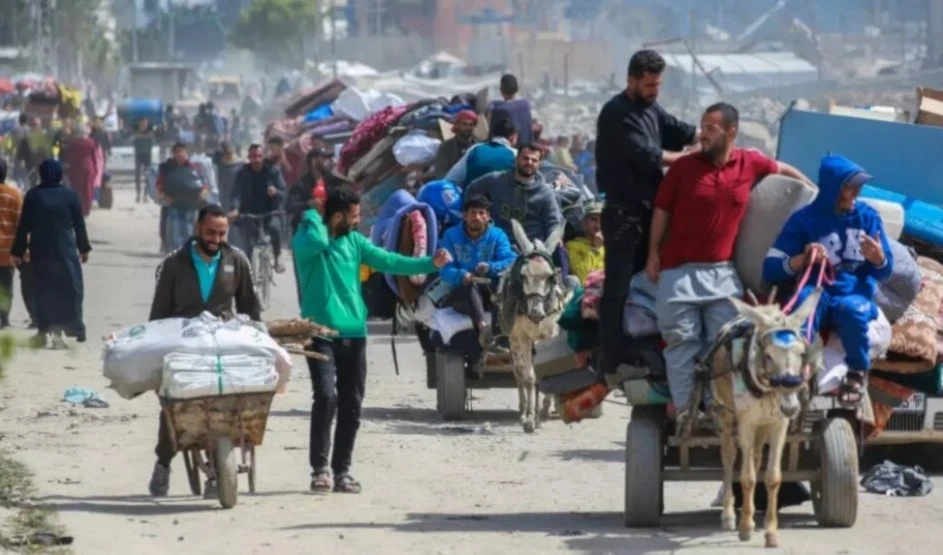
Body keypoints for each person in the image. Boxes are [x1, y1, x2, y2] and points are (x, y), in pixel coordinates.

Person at [646, 102, 812, 419]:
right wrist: (653, 253)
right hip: (678, 275)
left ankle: (717, 411)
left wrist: (812, 194)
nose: (703, 134)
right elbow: (662, 212)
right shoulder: (684, 167)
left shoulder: (749, 162)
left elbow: (783, 170)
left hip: (722, 275)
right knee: (682, 344)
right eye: (702, 127)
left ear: (730, 132)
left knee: (723, 348)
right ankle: (686, 413)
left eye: (711, 128)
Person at [292, 186, 451, 494]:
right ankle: (319, 468)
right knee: (325, 397)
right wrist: (316, 217)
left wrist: (431, 263)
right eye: (353, 216)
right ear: (337, 215)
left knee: (352, 404)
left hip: (354, 332)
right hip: (318, 332)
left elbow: (391, 261)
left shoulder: (356, 243)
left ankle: (342, 471)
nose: (358, 221)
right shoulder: (306, 237)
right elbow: (316, 242)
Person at [594, 49, 700, 376]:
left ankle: (643, 348)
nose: (655, 91)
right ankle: (608, 361)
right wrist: (695, 158)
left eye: (658, 85)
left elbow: (678, 129)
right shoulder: (617, 113)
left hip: (650, 213)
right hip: (624, 215)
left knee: (650, 284)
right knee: (619, 287)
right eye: (650, 85)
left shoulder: (650, 108)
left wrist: (706, 136)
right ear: (632, 80)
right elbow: (650, 155)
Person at [147, 204, 261, 497]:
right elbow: (158, 315)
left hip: (222, 344)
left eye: (222, 233)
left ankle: (216, 467)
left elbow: (250, 308)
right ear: (197, 229)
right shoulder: (174, 264)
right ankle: (163, 461)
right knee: (176, 407)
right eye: (210, 232)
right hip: (183, 345)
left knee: (227, 403)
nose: (216, 238)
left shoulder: (236, 261)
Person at [763, 154, 892, 406]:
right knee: (802, 306)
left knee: (853, 309)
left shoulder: (868, 218)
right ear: (834, 188)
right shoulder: (803, 220)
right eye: (850, 186)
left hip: (852, 293)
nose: (857, 191)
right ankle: (798, 371)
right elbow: (770, 268)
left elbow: (885, 272)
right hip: (816, 290)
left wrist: (878, 259)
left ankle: (856, 372)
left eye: (859, 186)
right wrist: (801, 259)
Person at [10, 159, 91, 349]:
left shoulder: (33, 195)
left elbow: (24, 226)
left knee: (43, 289)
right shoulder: (70, 196)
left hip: (41, 247)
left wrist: (18, 251)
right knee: (68, 288)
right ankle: (62, 331)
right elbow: (79, 224)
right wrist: (83, 248)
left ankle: (44, 331)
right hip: (65, 248)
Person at [438, 194, 516, 347]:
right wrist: (462, 275)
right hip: (462, 294)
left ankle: (503, 334)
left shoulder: (497, 235)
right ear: (465, 216)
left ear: (488, 217)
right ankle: (484, 329)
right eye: (473, 213)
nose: (477, 217)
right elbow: (444, 269)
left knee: (504, 288)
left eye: (482, 213)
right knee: (467, 286)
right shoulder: (450, 235)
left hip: (491, 293)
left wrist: (491, 267)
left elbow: (510, 260)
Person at [465, 143, 562, 245]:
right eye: (525, 158)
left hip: (529, 251)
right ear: (516, 159)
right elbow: (471, 190)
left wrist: (555, 240)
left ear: (539, 165)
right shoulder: (495, 180)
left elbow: (554, 222)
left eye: (534, 160)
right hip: (495, 244)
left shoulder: (545, 193)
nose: (529, 162)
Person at [286, 147, 340, 303]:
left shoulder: (333, 182)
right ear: (313, 161)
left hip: (329, 234)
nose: (327, 161)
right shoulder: (301, 185)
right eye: (323, 158)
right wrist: (308, 203)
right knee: (305, 275)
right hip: (306, 235)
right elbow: (290, 206)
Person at [229, 144, 287, 272]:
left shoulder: (273, 171)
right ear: (249, 157)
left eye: (259, 156)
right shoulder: (242, 173)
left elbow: (284, 192)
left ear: (263, 157)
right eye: (254, 156)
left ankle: (277, 256)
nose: (256, 160)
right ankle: (249, 270)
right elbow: (236, 193)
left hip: (271, 212)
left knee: (274, 228)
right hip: (249, 213)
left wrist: (276, 192)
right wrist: (235, 208)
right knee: (248, 239)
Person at [156, 143, 209, 253]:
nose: (180, 154)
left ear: (186, 153)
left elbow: (203, 182)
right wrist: (164, 195)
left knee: (188, 231)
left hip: (190, 204)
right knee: (175, 232)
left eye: (183, 151)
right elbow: (159, 183)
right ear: (173, 154)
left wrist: (203, 191)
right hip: (174, 203)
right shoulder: (167, 167)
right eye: (178, 152)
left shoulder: (194, 167)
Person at [444, 118, 517, 189]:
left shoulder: (475, 149)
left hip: (471, 199)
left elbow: (449, 180)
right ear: (512, 138)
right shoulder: (515, 154)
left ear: (492, 135)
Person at [0, 160, 22, 328]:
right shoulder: (14, 194)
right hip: (7, 251)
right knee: (6, 286)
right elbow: (20, 223)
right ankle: (4, 318)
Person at [63, 124, 101, 218]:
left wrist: (66, 169)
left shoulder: (72, 143)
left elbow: (69, 157)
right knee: (88, 189)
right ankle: (86, 209)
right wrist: (96, 169)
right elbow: (95, 157)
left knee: (77, 189)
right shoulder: (92, 143)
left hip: (75, 168)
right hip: (89, 168)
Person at [566, 201, 605, 285]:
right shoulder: (572, 246)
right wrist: (595, 248)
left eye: (602, 220)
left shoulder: (610, 246)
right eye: (593, 219)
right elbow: (584, 278)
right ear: (584, 222)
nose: (598, 225)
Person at [489, 73, 533, 146]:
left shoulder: (499, 110)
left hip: (510, 150)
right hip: (527, 148)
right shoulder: (526, 104)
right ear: (517, 89)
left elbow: (492, 135)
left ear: (501, 90)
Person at [433, 110, 479, 180]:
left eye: (471, 125)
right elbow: (441, 172)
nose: (468, 128)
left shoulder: (478, 147)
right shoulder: (446, 146)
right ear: (457, 125)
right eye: (464, 124)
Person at [133, 118, 156, 203]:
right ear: (139, 124)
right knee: (137, 176)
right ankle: (138, 194)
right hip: (138, 155)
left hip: (147, 155)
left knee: (147, 176)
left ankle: (145, 196)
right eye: (142, 124)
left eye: (145, 124)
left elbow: (153, 141)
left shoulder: (150, 133)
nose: (143, 125)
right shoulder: (136, 133)